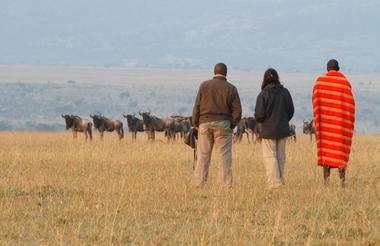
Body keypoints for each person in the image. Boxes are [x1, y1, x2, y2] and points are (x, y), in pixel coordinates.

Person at [191, 63, 242, 188]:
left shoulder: (204, 85)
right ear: (226, 73)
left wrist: (195, 124)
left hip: (204, 125)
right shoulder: (231, 88)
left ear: (214, 72)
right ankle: (224, 186)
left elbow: (197, 106)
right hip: (224, 127)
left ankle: (198, 184)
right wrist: (232, 125)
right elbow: (237, 111)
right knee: (224, 157)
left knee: (203, 156)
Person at [312, 59, 355, 187]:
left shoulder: (319, 82)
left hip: (325, 126)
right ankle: (342, 182)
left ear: (327, 69)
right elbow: (350, 106)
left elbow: (315, 102)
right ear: (338, 68)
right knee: (339, 151)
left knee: (327, 151)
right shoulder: (345, 83)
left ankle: (326, 182)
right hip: (340, 125)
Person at [255, 68, 294, 189]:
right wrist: (283, 120)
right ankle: (280, 181)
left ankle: (274, 184)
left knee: (270, 157)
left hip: (268, 131)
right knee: (281, 156)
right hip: (282, 129)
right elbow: (291, 111)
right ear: (277, 78)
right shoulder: (285, 92)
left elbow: (259, 115)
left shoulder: (263, 94)